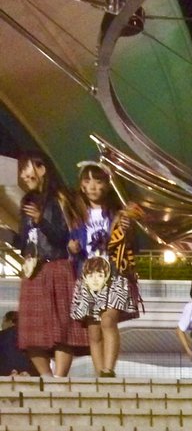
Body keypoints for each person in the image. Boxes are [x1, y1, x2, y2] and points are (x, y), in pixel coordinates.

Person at [15, 152, 88, 377]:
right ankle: (46, 379)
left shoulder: (59, 198)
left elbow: (62, 238)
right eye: (21, 171)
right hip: (33, 270)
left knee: (62, 329)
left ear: (42, 169)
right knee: (31, 332)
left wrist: (41, 221)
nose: (23, 175)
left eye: (27, 169)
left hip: (57, 266)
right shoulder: (26, 202)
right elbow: (24, 242)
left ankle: (59, 380)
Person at [69, 161, 142, 378]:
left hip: (113, 273)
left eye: (98, 181)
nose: (92, 186)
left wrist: (126, 230)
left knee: (108, 320)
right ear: (82, 186)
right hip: (88, 275)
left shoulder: (117, 214)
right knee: (93, 330)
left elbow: (132, 245)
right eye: (87, 181)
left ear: (107, 185)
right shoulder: (77, 216)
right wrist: (72, 248)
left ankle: (108, 370)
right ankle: (100, 374)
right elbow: (72, 244)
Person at [0, 311, 38, 377]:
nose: (2, 325)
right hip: (30, 372)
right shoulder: (32, 336)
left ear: (10, 321)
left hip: (5, 372)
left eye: (3, 322)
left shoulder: (2, 335)